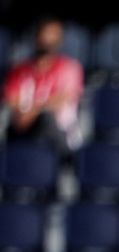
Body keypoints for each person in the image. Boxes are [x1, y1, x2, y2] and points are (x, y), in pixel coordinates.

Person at [4, 18, 83, 156]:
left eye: (54, 34)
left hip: (58, 134)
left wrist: (33, 111)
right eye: (45, 33)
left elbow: (61, 99)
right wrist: (26, 114)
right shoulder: (19, 70)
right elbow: (11, 99)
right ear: (36, 36)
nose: (48, 39)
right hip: (22, 128)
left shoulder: (69, 68)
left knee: (45, 120)